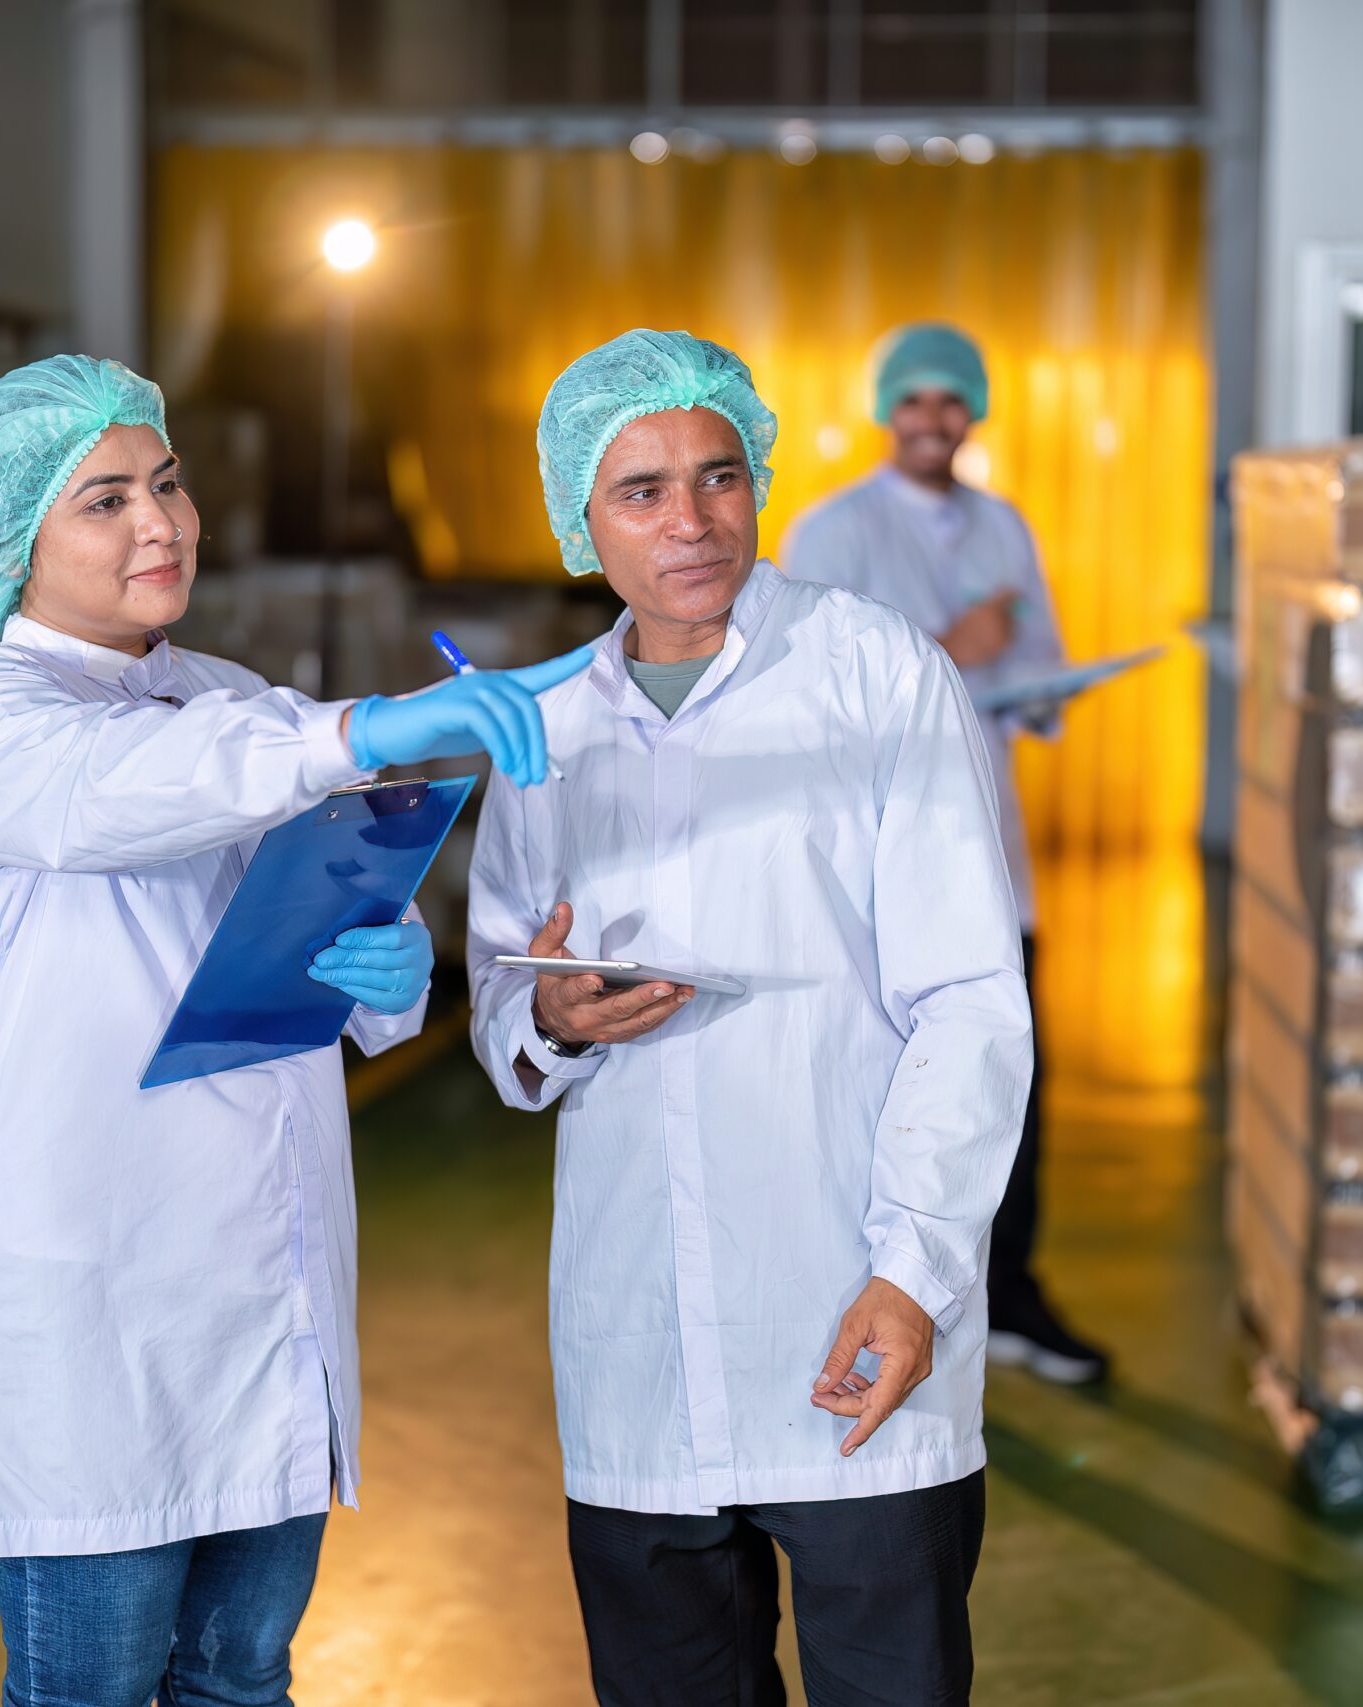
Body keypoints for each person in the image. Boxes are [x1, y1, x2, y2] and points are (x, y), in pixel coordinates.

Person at [0, 354, 591, 1707]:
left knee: (242, 1678)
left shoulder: (225, 693)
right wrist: (376, 723)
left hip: (264, 1291)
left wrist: (388, 970)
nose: (160, 521)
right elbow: (125, 791)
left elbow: (308, 937)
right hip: (93, 1305)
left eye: (165, 481)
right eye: (102, 500)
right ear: (13, 538)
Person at [465, 329, 1032, 1706]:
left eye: (718, 475)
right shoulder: (547, 726)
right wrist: (560, 1020)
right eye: (642, 490)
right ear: (577, 520)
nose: (693, 520)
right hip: (636, 1341)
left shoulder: (876, 674)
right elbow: (499, 988)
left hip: (854, 1309)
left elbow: (968, 994)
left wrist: (916, 1268)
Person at [779, 322, 1109, 1388]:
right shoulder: (830, 535)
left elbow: (1041, 660)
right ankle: (870, 1301)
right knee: (873, 1094)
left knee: (1005, 1085)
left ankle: (1007, 1296)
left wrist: (1040, 687)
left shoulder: (1004, 527)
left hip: (991, 863)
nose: (932, 417)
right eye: (912, 399)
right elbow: (804, 708)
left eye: (950, 399)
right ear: (887, 412)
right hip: (870, 879)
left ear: (973, 411)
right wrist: (944, 652)